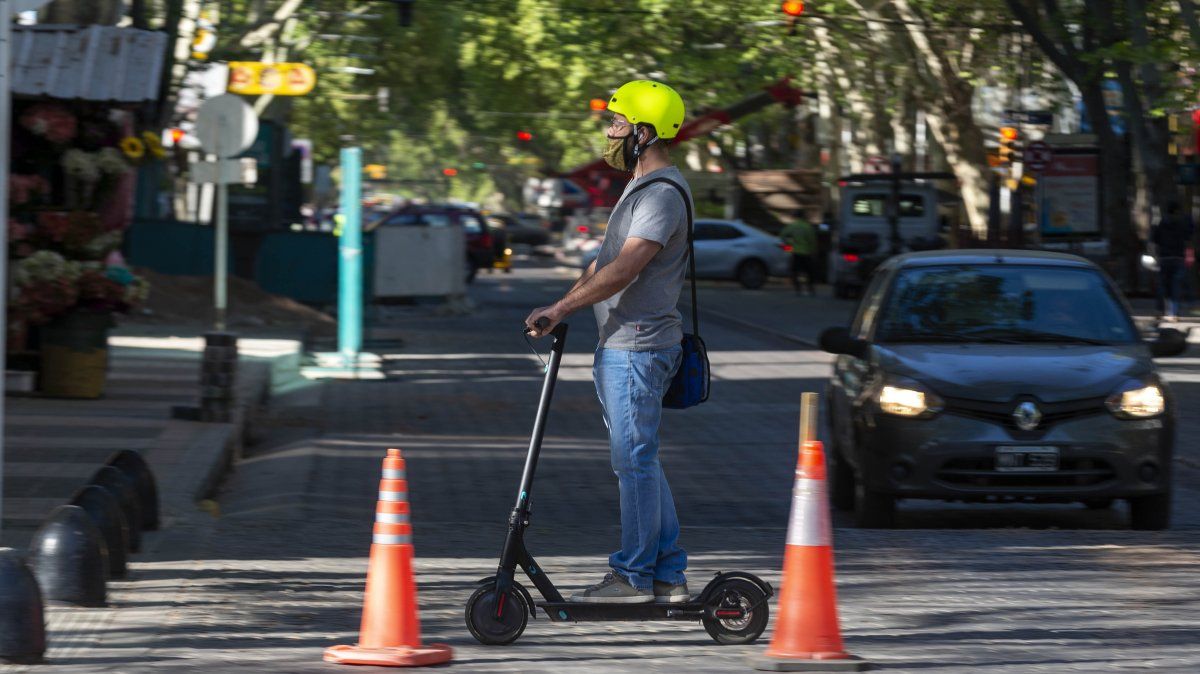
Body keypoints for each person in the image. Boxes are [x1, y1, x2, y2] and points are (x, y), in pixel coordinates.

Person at [524, 80, 691, 604]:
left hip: (638, 348)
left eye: (618, 124)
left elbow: (625, 268)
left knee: (633, 461)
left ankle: (634, 577)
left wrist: (562, 309)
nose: (610, 133)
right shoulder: (640, 187)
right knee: (640, 459)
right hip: (624, 345)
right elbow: (603, 262)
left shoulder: (661, 194)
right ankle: (668, 575)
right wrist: (560, 305)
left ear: (646, 132)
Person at [1152, 200, 1195, 322]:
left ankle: (1159, 310)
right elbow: (1189, 236)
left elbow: (1155, 240)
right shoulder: (1182, 223)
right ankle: (1173, 313)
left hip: (1164, 257)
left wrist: (1156, 255)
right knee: (1175, 286)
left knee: (1162, 285)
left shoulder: (1161, 223)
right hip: (1178, 257)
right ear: (1177, 211)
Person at [779, 212, 818, 295]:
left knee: (795, 271)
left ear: (796, 217)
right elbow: (812, 240)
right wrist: (813, 251)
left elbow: (782, 235)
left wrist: (789, 243)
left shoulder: (793, 226)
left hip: (795, 252)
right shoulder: (808, 227)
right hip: (807, 252)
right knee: (809, 272)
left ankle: (798, 289)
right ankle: (810, 288)